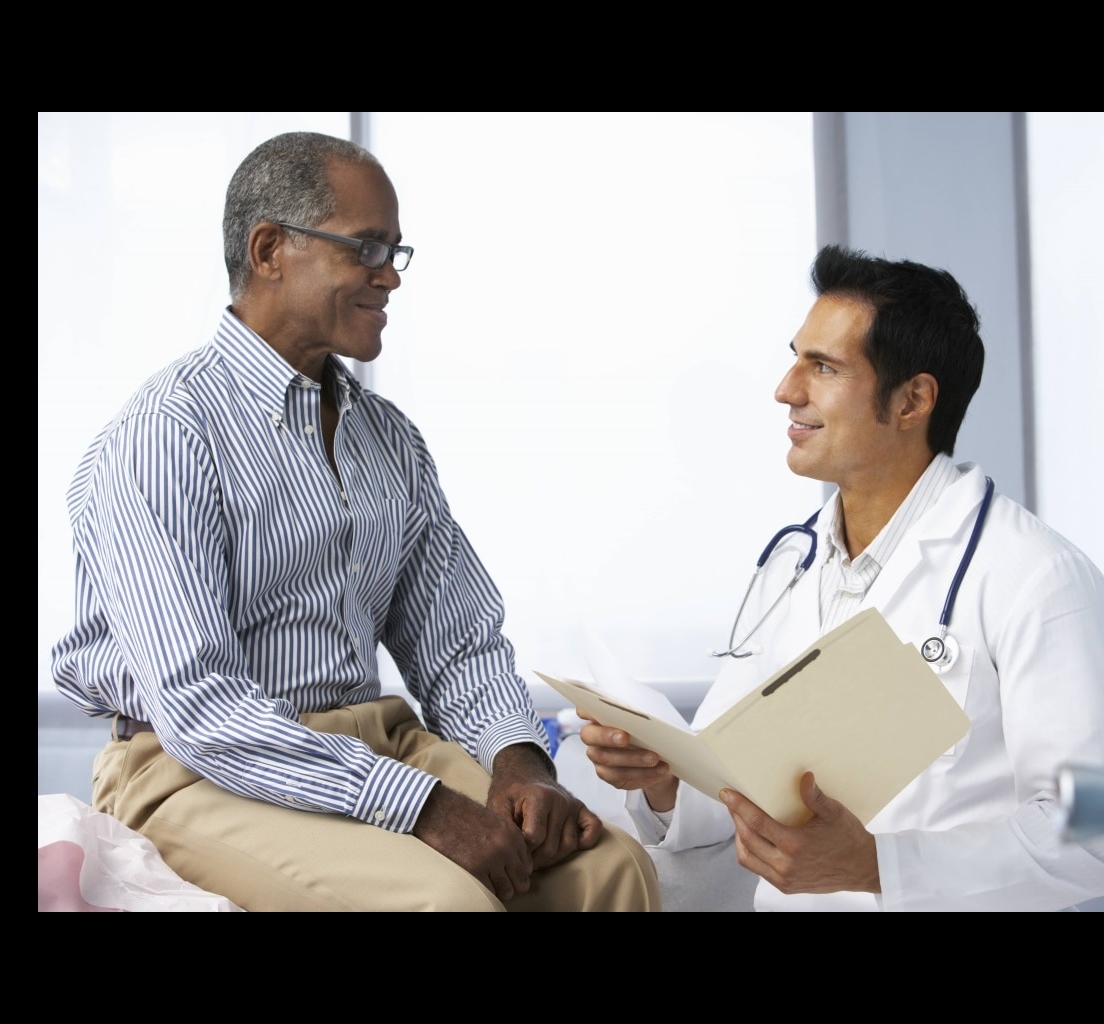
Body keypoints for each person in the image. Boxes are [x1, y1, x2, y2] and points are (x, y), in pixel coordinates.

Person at [49, 130, 661, 912]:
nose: (390, 278)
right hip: (194, 767)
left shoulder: (388, 439)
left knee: (612, 868)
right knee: (448, 901)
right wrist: (422, 805)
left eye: (396, 253)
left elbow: (457, 645)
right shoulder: (166, 436)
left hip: (377, 741)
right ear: (270, 248)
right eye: (367, 248)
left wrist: (519, 764)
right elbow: (203, 707)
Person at [577, 244, 1104, 912]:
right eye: (795, 356)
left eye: (824, 367)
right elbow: (736, 783)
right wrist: (662, 777)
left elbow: (1101, 836)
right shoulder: (796, 567)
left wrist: (882, 866)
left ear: (913, 400)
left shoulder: (1037, 580)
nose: (786, 389)